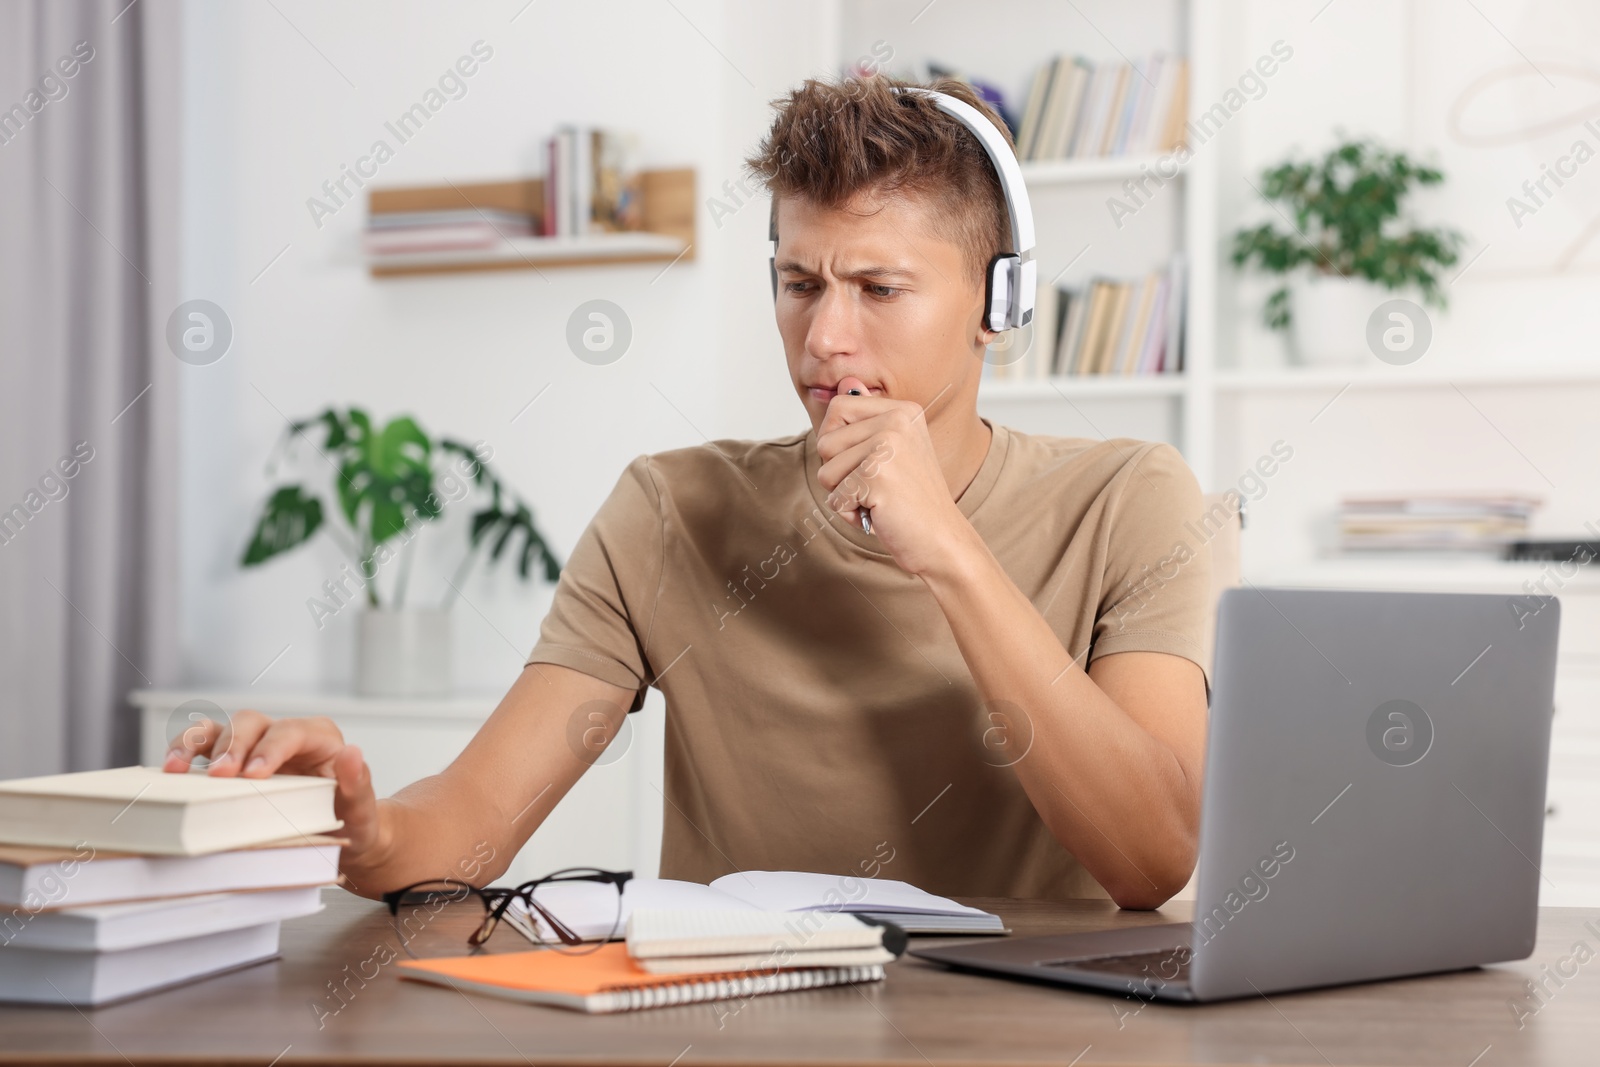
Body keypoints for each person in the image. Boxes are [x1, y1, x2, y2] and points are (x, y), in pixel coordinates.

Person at [164, 75, 1214, 910]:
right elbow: (478, 810)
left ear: (999, 301)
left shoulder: (1131, 500)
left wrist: (947, 549)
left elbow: (1150, 858)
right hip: (738, 1032)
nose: (825, 337)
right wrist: (364, 828)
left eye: (879, 289)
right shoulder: (670, 509)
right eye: (799, 284)